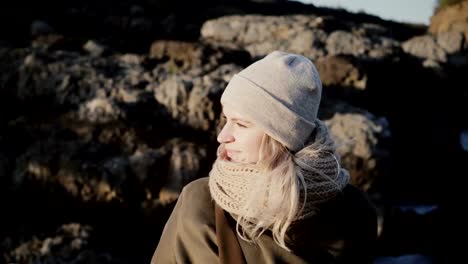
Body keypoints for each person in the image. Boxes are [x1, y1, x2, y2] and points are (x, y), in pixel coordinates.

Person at [151, 51, 378, 263]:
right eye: (225, 119)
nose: (222, 136)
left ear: (281, 137)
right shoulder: (199, 205)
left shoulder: (354, 213)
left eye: (240, 124)